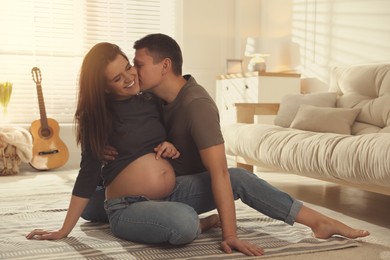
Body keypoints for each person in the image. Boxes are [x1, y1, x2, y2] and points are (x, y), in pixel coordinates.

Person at [99, 33, 369, 256]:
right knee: (93, 204)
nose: (133, 72)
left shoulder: (197, 106)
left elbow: (220, 173)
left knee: (236, 180)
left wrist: (231, 235)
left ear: (165, 66)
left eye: (139, 64)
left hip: (178, 188)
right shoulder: (153, 97)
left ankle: (318, 221)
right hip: (151, 187)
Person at [26, 42, 219, 245]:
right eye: (117, 78)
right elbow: (88, 172)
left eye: (128, 67)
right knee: (185, 220)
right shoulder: (96, 116)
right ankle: (196, 224)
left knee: (235, 180)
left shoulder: (151, 99)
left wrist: (169, 144)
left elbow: (170, 131)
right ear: (104, 87)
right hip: (124, 200)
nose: (129, 78)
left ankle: (136, 211)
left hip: (165, 192)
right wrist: (63, 230)